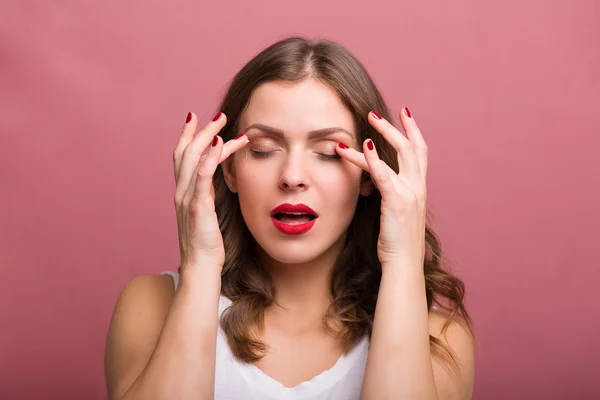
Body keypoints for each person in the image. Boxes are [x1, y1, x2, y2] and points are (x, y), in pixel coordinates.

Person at [104, 36, 476, 400]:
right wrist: (201, 266)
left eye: (330, 152)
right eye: (264, 149)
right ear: (229, 169)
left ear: (369, 174)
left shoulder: (440, 342)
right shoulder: (152, 305)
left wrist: (403, 259)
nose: (293, 176)